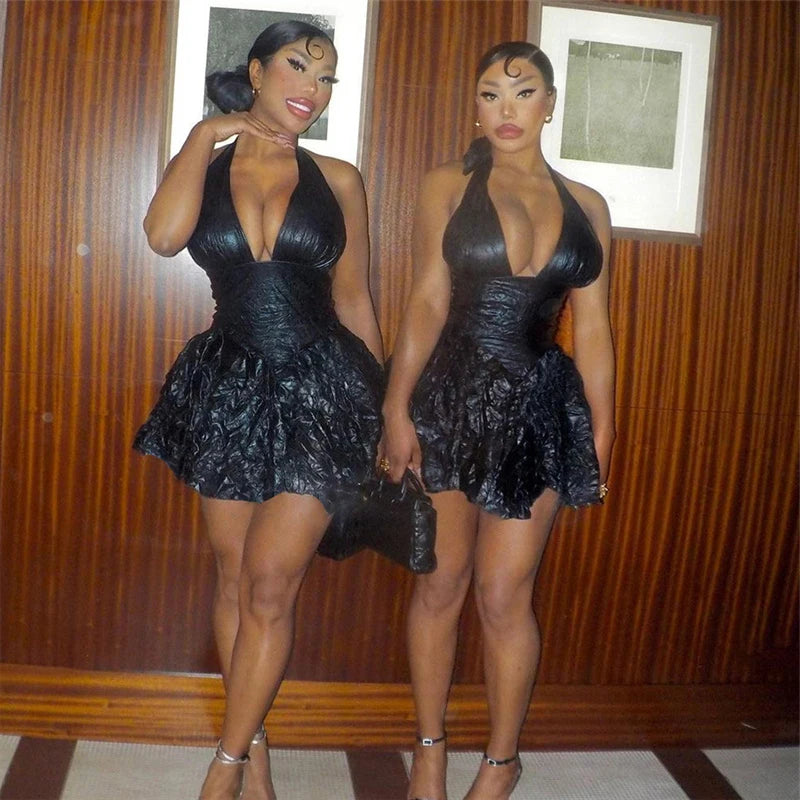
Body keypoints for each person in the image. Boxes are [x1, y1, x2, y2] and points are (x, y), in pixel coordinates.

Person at [133, 20, 383, 800]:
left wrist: (381, 413)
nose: (313, 88)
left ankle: (225, 766)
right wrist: (204, 133)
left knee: (271, 583)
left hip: (323, 388)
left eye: (327, 77)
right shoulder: (204, 164)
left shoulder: (339, 179)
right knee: (234, 577)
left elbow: (356, 300)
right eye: (299, 67)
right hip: (228, 388)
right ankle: (257, 755)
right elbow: (162, 236)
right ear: (256, 71)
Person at [381, 41, 615, 800]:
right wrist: (396, 405)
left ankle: (501, 763)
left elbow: (596, 331)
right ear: (475, 107)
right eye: (490, 94)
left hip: (541, 407)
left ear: (550, 103)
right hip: (449, 396)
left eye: (522, 92)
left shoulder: (589, 205)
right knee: (440, 583)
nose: (506, 109)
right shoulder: (446, 184)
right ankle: (428, 751)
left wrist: (601, 435)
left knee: (505, 594)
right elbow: (426, 299)